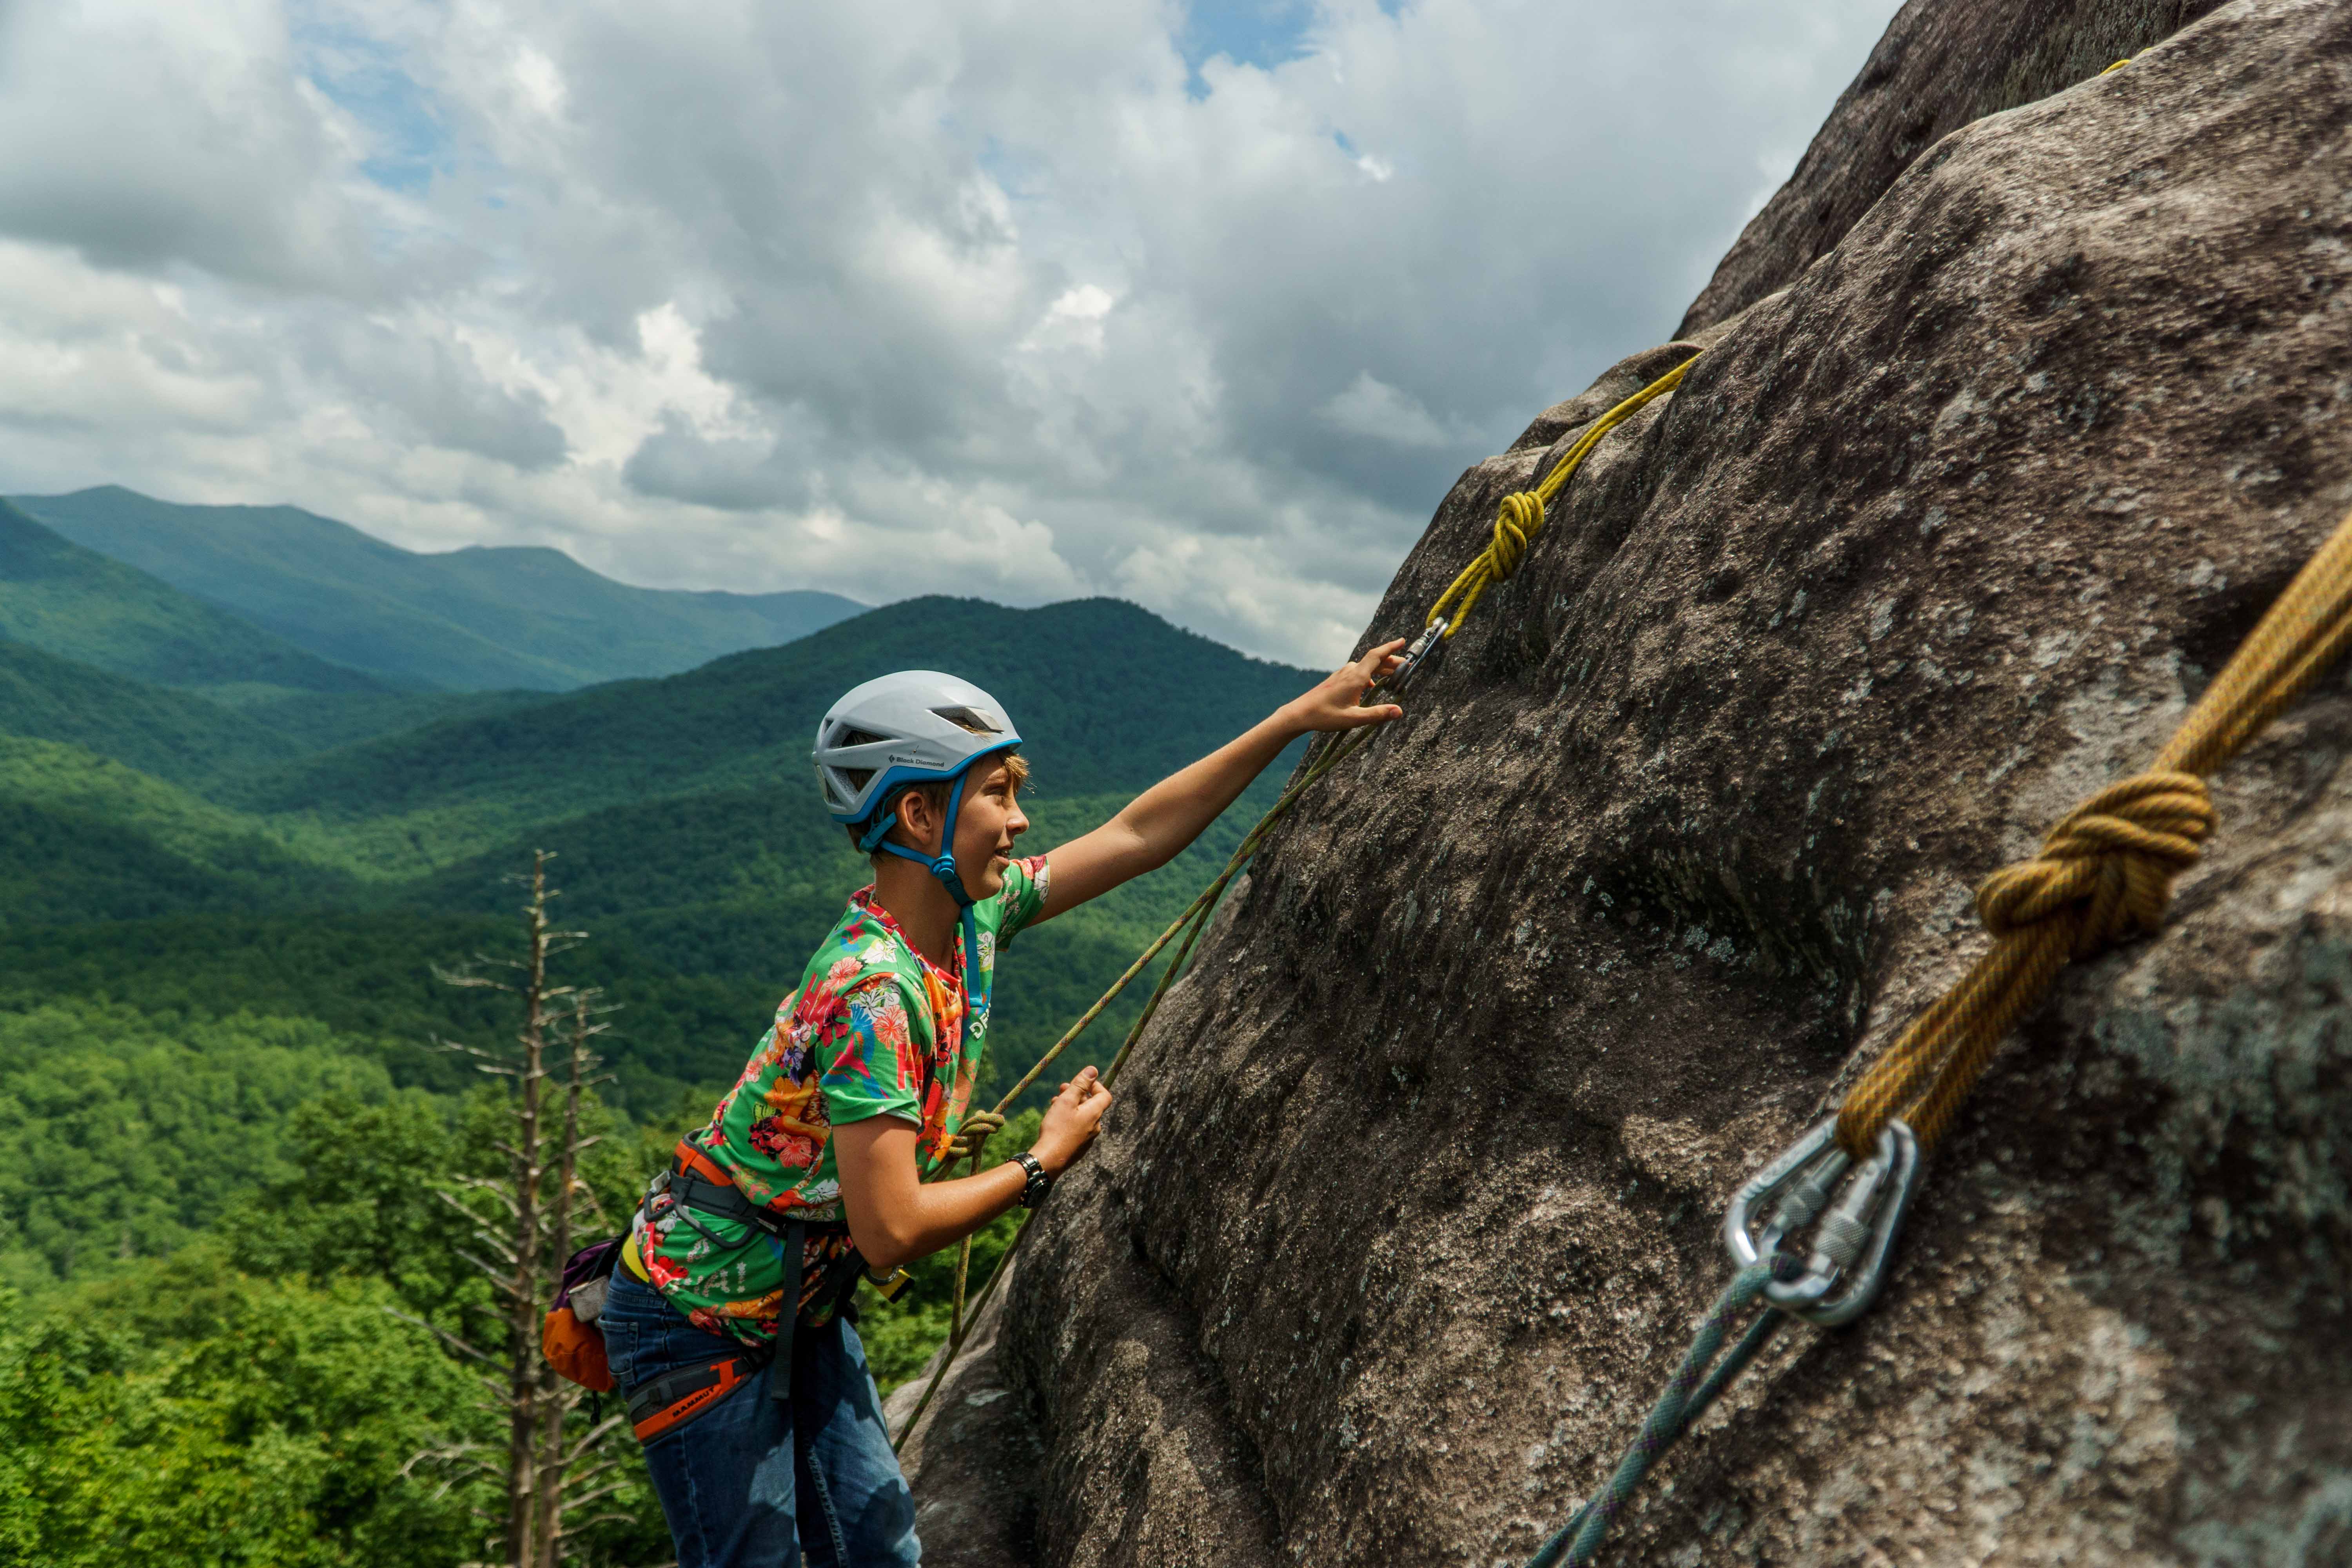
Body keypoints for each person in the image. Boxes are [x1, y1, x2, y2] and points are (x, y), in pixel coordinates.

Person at [597, 639, 1406, 1566]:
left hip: (793, 1302)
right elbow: (892, 1228)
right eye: (997, 794)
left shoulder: (971, 920)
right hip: (697, 1318)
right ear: (916, 810)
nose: (1020, 821)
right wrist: (1039, 1161)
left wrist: (1294, 719)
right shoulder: (874, 995)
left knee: (882, 1549)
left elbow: (1138, 836)